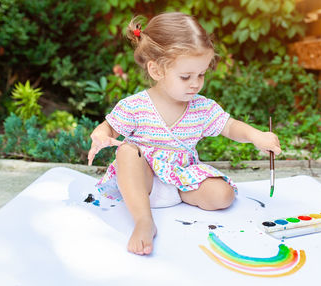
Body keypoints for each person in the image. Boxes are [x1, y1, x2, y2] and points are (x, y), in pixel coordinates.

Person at [87, 12, 281, 256]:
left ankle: (183, 197)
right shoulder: (135, 105)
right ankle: (144, 221)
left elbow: (229, 126)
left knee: (224, 195)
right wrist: (100, 134)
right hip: (142, 182)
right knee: (126, 151)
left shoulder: (202, 107)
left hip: (181, 181)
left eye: (201, 74)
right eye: (186, 76)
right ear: (156, 71)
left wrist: (256, 136)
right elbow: (109, 127)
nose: (195, 84)